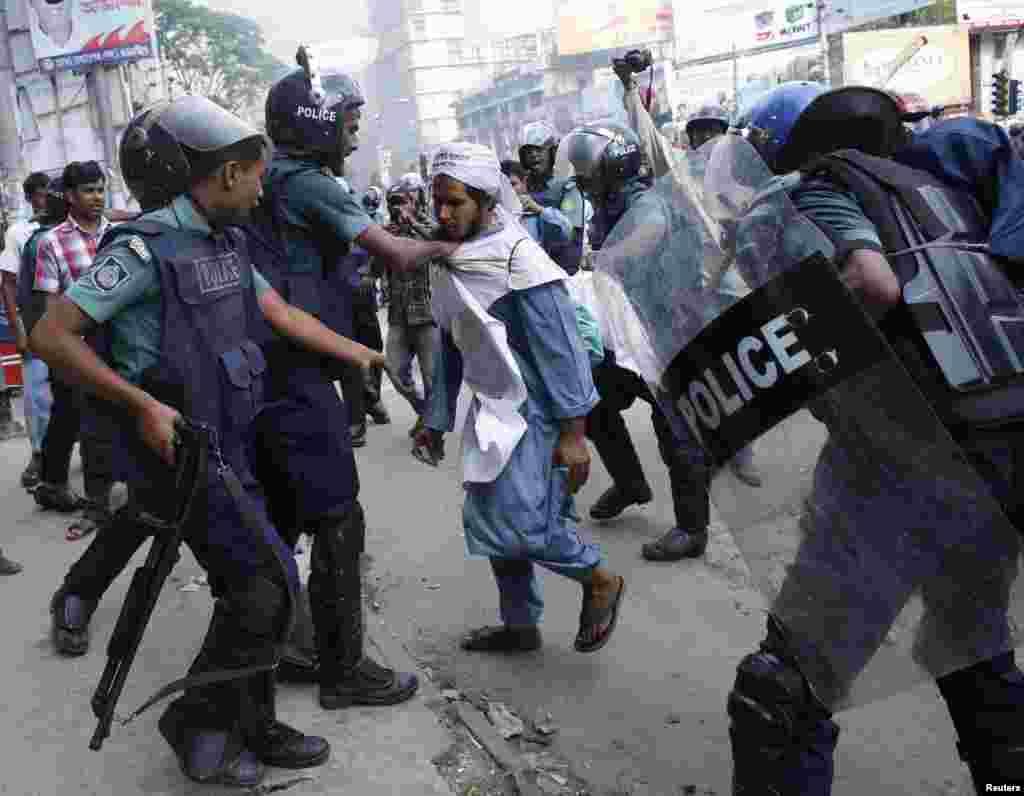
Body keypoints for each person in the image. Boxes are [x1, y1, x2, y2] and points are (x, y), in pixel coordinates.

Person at [32, 94, 398, 787]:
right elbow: (50, 335)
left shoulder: (225, 241)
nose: (262, 186)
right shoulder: (142, 248)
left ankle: (250, 725)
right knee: (263, 589)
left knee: (264, 587)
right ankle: (199, 724)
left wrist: (358, 352)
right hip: (183, 450)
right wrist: (140, 404)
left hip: (235, 438)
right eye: (255, 173)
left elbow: (278, 312)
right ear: (226, 174)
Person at [723, 83, 1024, 794]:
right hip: (1000, 451)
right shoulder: (942, 190)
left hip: (902, 460)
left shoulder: (815, 190)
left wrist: (781, 359)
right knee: (969, 644)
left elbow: (872, 284)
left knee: (784, 688)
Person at [245, 51, 456, 709]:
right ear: (315, 125)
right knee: (339, 517)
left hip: (260, 372)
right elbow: (394, 252)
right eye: (349, 122)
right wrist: (462, 246)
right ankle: (343, 670)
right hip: (300, 371)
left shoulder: (265, 181)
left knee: (280, 518)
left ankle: (287, 646)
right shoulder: (310, 183)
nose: (356, 136)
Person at [414, 142, 626, 654]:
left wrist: (575, 435)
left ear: (487, 200)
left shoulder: (517, 259)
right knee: (493, 517)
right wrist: (435, 418)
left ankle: (598, 579)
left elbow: (563, 351)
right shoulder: (454, 257)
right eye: (437, 201)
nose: (443, 213)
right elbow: (453, 338)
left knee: (522, 524)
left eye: (455, 202)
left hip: (537, 414)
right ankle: (519, 624)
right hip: (494, 409)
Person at [559, 119, 715, 563]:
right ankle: (630, 482)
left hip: (668, 332)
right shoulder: (607, 205)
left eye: (587, 169)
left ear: (612, 166)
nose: (582, 178)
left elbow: (649, 234)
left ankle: (691, 528)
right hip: (628, 332)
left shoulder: (645, 201)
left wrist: (606, 261)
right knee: (596, 404)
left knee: (675, 431)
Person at [615, 56, 763, 489]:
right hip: (692, 293)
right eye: (698, 131)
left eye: (713, 131)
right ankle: (716, 448)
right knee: (704, 374)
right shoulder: (677, 172)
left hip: (734, 290)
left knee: (739, 374)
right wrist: (629, 86)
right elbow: (645, 132)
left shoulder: (744, 181)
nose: (705, 139)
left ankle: (743, 448)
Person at [32, 161, 116, 542]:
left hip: (123, 346)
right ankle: (97, 508)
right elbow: (51, 306)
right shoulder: (51, 242)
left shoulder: (120, 235)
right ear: (69, 197)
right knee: (94, 429)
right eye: (88, 190)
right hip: (81, 351)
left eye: (100, 189)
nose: (96, 197)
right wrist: (63, 356)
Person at [375, 173, 440, 442]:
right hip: (399, 315)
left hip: (427, 313)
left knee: (432, 377)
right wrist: (380, 242)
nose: (400, 206)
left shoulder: (431, 224)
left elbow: (438, 245)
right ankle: (425, 411)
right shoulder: (387, 231)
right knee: (394, 369)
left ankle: (432, 425)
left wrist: (413, 221)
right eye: (396, 201)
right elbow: (375, 270)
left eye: (406, 199)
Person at [1, 172, 51, 489]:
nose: (50, 199)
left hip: (73, 322)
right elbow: (7, 282)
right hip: (34, 324)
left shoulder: (67, 225)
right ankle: (39, 453)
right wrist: (18, 330)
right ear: (32, 198)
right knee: (37, 394)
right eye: (44, 194)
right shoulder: (20, 232)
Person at [518, 120, 586, 274]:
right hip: (535, 273)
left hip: (567, 273)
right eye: (528, 152)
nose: (534, 156)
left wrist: (539, 210)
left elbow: (569, 232)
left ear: (552, 152)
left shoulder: (568, 188)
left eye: (539, 150)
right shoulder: (522, 188)